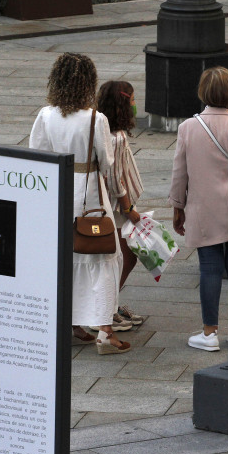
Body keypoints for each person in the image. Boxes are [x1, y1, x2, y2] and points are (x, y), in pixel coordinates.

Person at [29, 52, 129, 354]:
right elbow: (107, 163)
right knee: (101, 260)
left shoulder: (45, 115)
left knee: (65, 260)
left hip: (58, 197)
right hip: (90, 199)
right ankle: (105, 333)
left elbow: (37, 156)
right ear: (88, 83)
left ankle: (70, 324)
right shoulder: (96, 120)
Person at [169, 67, 228, 351]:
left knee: (210, 268)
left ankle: (209, 333)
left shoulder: (188, 127)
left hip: (204, 208)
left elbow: (179, 173)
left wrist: (177, 206)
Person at [96, 79, 146, 327]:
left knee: (122, 257)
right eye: (134, 100)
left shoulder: (107, 133)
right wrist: (129, 209)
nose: (136, 105)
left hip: (112, 206)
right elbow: (116, 179)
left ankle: (111, 304)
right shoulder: (117, 138)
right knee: (125, 257)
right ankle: (108, 309)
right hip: (117, 209)